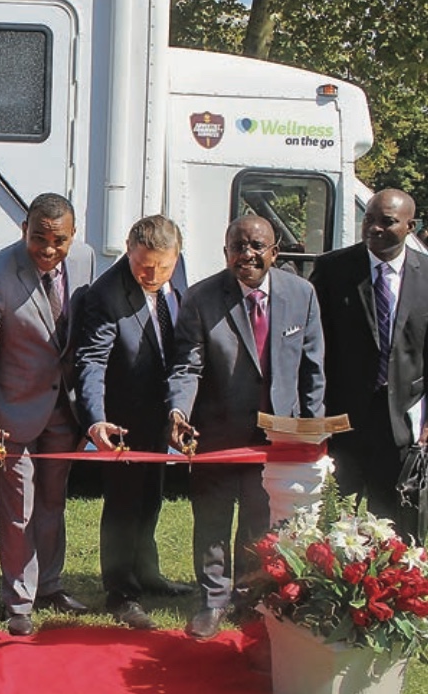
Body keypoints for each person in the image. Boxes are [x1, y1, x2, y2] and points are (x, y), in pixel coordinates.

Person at [168, 214, 325, 639]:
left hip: (277, 437)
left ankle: (250, 597)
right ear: (225, 252)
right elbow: (187, 366)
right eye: (238, 246)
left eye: (257, 246)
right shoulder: (201, 298)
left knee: (262, 523)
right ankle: (213, 600)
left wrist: (310, 432)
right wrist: (179, 412)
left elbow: (312, 371)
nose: (247, 254)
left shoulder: (302, 295)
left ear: (275, 252)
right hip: (216, 435)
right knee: (213, 522)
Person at [0, 193, 96, 636]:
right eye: (39, 238)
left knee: (54, 502)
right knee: (19, 508)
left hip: (65, 410)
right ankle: (19, 600)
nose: (48, 249)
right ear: (24, 229)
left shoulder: (87, 261)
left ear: (73, 237)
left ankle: (50, 583)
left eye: (59, 240)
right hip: (12, 412)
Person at [74, 215, 193, 631]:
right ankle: (121, 591)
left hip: (161, 414)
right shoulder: (106, 294)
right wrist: (97, 421)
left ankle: (148, 572)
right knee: (124, 505)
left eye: (164, 267)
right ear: (128, 249)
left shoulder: (175, 275)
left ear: (176, 256)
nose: (154, 275)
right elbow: (91, 361)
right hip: (122, 421)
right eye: (145, 266)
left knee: (152, 497)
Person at [311, 189, 428, 538]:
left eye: (387, 221)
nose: (374, 228)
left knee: (393, 526)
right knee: (329, 519)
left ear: (411, 225)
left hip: (401, 422)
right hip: (341, 418)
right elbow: (314, 343)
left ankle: (386, 590)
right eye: (369, 219)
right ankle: (327, 588)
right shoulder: (333, 269)